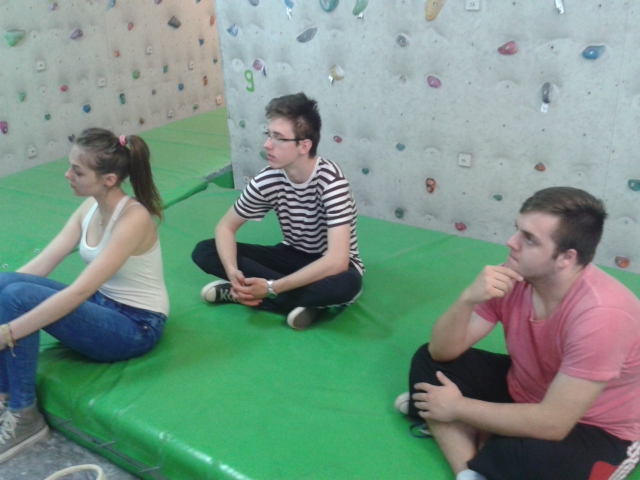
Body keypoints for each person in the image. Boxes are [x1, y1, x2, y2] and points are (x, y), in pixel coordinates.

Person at [401, 187, 640, 480]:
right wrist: (467, 299)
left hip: (595, 428)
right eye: (518, 230)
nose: (511, 242)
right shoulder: (514, 274)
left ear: (566, 257)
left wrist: (457, 408)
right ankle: (471, 471)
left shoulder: (603, 315)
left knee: (524, 457)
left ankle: (468, 430)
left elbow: (553, 423)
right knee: (429, 363)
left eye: (529, 239)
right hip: (529, 390)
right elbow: (441, 351)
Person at [0, 129, 169, 463]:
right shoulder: (89, 208)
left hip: (136, 326)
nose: (67, 175)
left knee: (18, 298)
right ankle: (3, 394)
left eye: (77, 172)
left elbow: (80, 290)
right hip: (102, 306)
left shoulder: (133, 218)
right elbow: (42, 264)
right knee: (7, 285)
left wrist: (8, 332)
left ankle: (24, 414)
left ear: (108, 179)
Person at [192, 92, 364, 330]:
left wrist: (272, 287)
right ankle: (307, 301)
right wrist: (233, 274)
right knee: (205, 251)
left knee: (348, 285)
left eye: (279, 138)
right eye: (269, 135)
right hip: (290, 255)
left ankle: (255, 296)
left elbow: (337, 260)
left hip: (331, 264)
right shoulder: (269, 178)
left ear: (304, 145)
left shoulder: (331, 182)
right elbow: (225, 228)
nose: (267, 145)